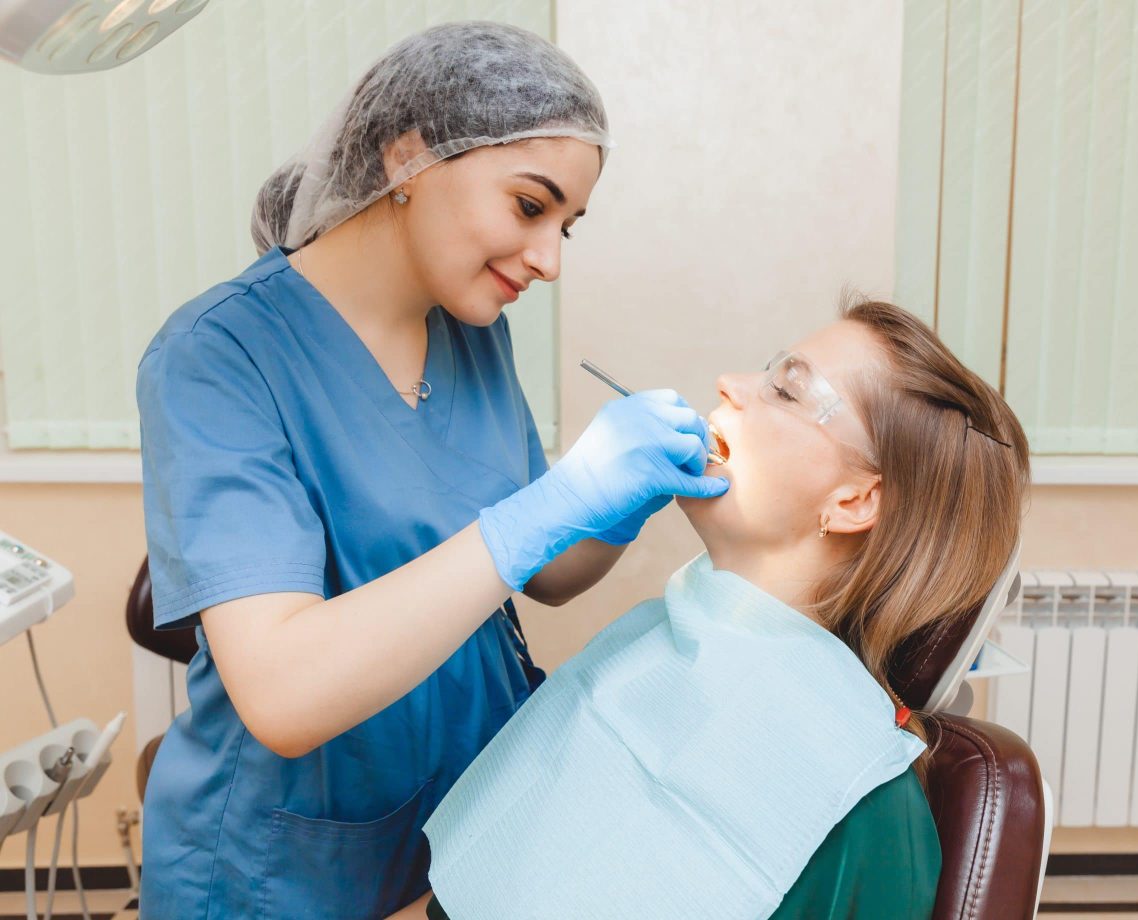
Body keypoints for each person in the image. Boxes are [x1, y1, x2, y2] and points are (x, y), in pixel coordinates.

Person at [135, 22, 727, 919]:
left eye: (567, 225)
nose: (550, 260)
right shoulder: (220, 357)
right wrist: (556, 498)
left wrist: (619, 500)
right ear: (408, 157)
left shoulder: (473, 332)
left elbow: (550, 575)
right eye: (531, 207)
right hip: (279, 873)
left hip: (462, 831)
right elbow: (284, 693)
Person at [402, 296, 1030, 920]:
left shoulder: (863, 806)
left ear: (853, 502)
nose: (729, 385)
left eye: (787, 391)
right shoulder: (647, 646)